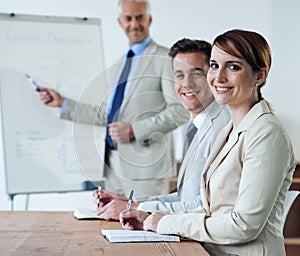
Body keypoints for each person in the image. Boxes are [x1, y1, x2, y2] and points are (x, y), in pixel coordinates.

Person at [120, 29, 296, 256]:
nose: (218, 77)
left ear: (259, 76)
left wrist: (164, 224)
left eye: (233, 67)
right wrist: (150, 218)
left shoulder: (267, 134)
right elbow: (209, 207)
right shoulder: (228, 131)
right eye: (214, 65)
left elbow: (244, 225)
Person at [38, 0, 189, 197]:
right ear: (120, 22)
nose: (134, 24)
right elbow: (108, 115)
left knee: (145, 225)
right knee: (111, 224)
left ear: (149, 19)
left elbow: (180, 111)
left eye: (139, 17)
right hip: (112, 167)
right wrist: (62, 103)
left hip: (146, 171)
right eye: (128, 18)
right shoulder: (118, 65)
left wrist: (135, 130)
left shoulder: (165, 58)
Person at [93, 38, 230, 220]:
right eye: (179, 75)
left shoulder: (223, 128)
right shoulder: (194, 127)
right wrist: (129, 202)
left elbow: (203, 207)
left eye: (196, 73)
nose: (187, 83)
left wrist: (135, 206)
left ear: (212, 75)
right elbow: (185, 199)